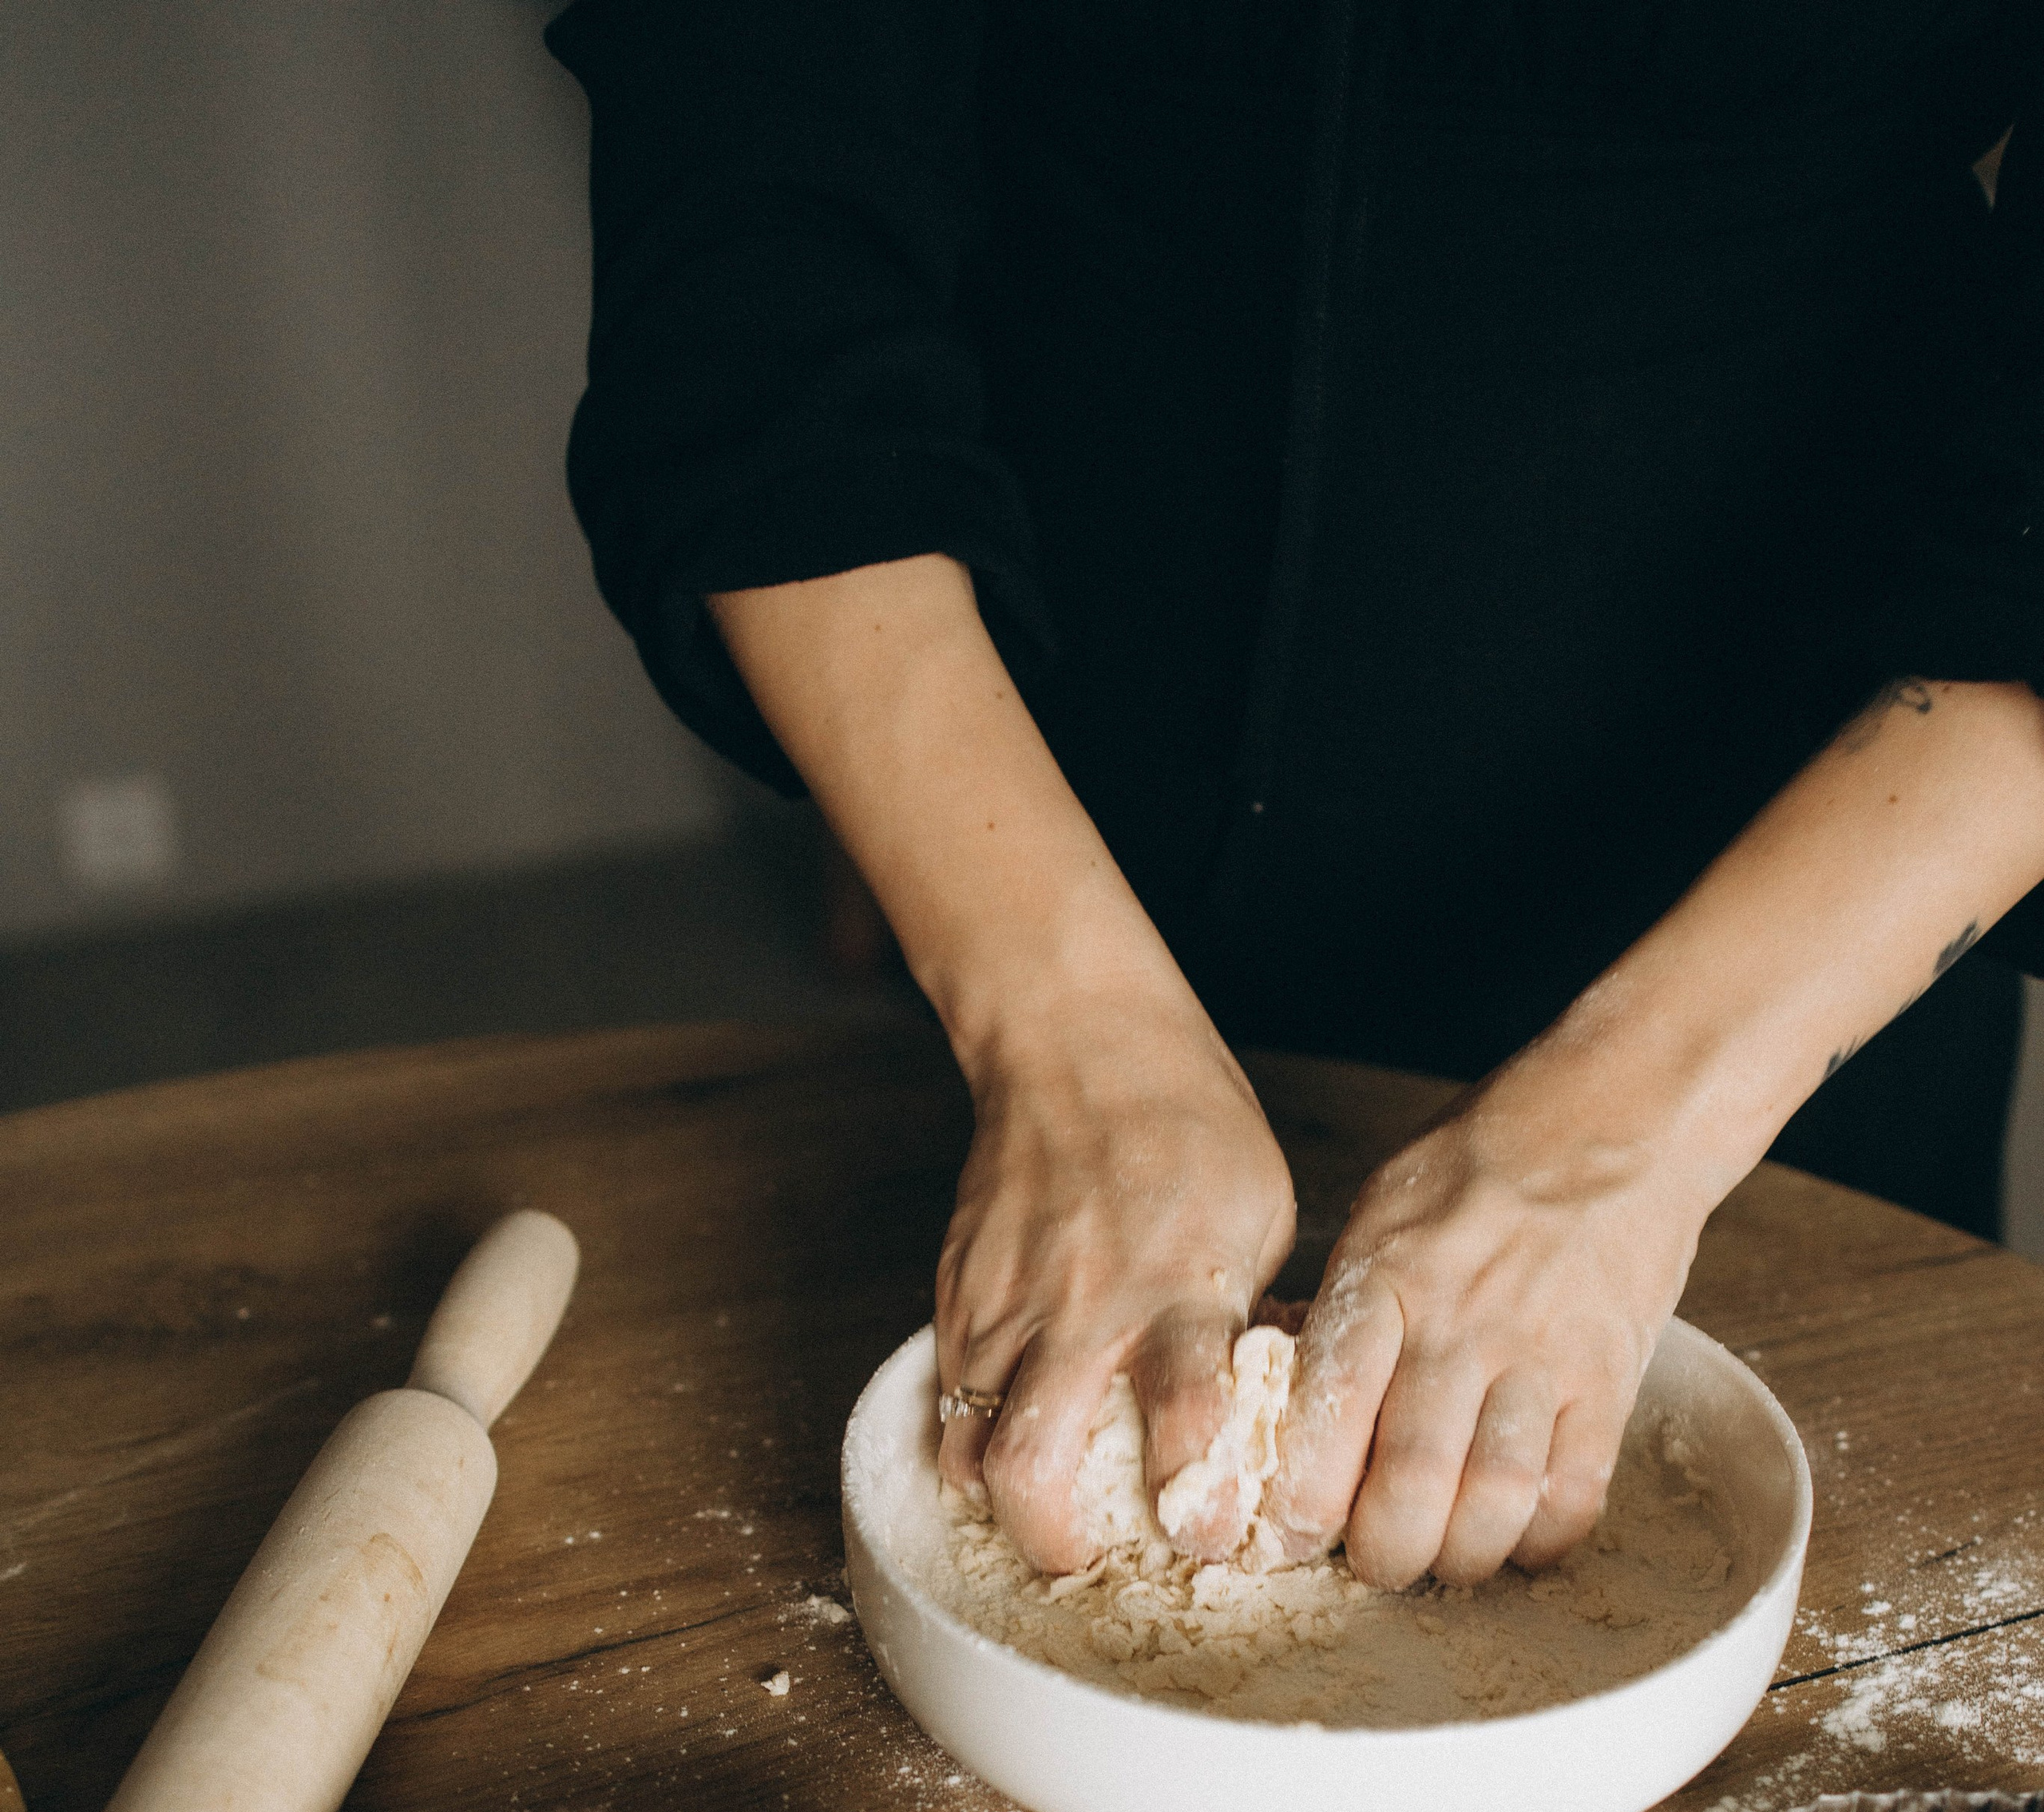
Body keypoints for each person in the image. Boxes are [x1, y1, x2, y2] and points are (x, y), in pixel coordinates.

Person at [546, 2, 2044, 1586]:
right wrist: (1068, 1034)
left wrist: (1627, 1135)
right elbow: (755, 244)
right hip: (1020, 847)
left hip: (1807, 928)